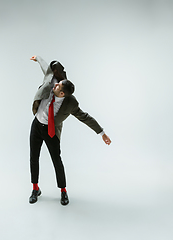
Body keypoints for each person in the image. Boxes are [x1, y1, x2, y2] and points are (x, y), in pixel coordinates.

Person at [29, 55, 111, 206]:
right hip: (36, 126)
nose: (55, 85)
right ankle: (35, 188)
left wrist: (102, 133)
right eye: (57, 83)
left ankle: (63, 191)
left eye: (58, 86)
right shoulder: (51, 83)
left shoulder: (70, 103)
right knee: (34, 157)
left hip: (51, 131)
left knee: (57, 161)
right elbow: (46, 68)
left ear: (62, 94)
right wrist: (38, 58)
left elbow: (85, 117)